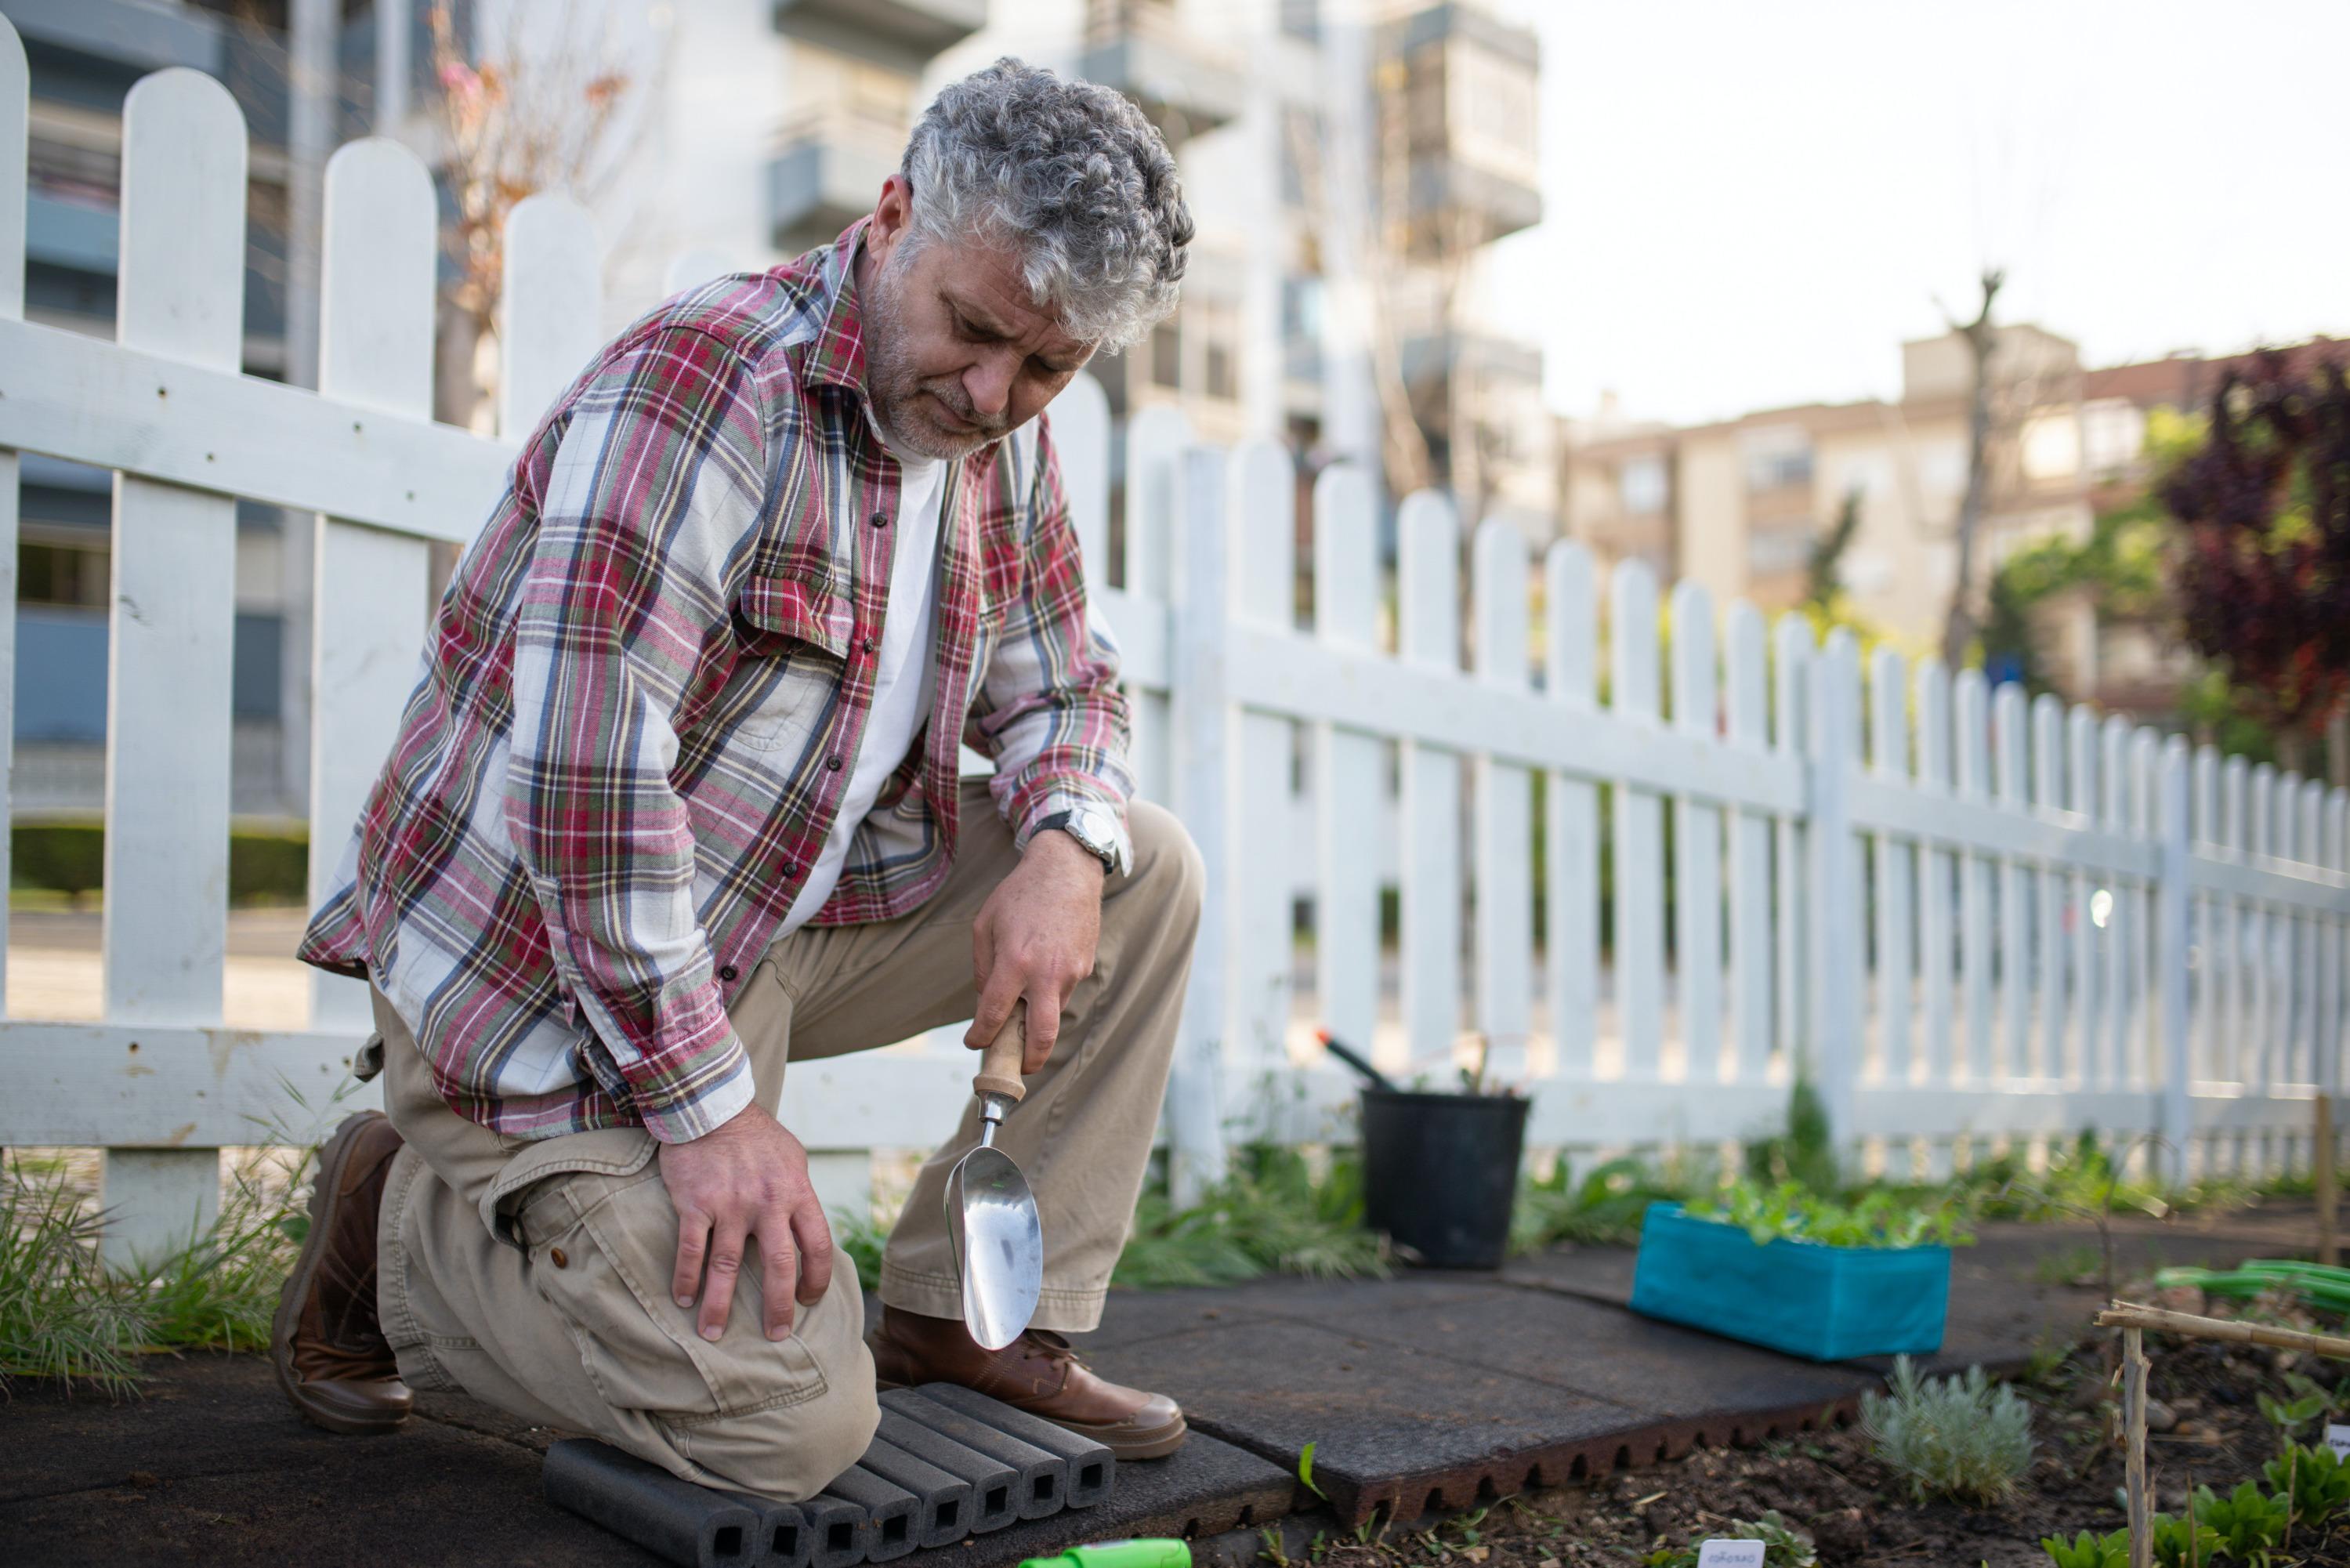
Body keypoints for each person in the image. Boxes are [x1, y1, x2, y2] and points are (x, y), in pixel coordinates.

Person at [271, 57, 1202, 1502]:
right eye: (971, 332)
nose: (992, 392)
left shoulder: (998, 435)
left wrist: (1066, 850)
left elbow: (1066, 681)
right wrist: (712, 1116)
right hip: (548, 987)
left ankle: (961, 1319)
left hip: (769, 922)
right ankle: (394, 1222)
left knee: (1143, 862)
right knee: (788, 1430)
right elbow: (582, 791)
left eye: (1047, 365)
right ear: (893, 215)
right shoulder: (707, 387)